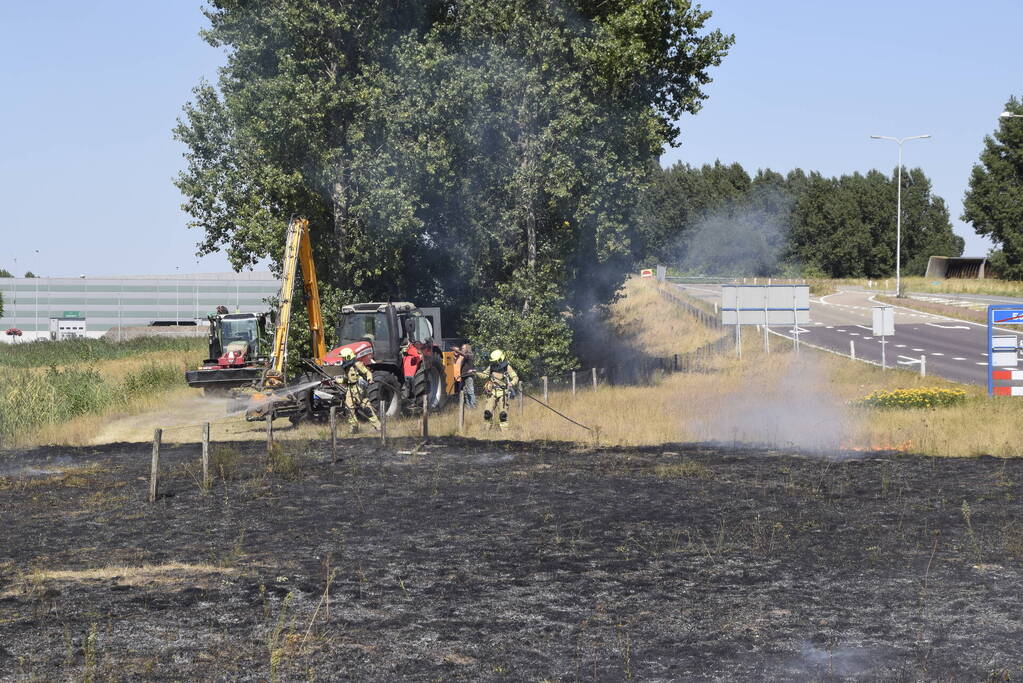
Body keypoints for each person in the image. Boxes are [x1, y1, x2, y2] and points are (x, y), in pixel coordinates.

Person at [473, 349, 519, 431]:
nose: (494, 362)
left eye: (495, 361)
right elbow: (485, 375)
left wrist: (512, 383)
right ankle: (486, 432)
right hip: (492, 393)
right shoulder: (491, 366)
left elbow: (515, 377)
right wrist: (475, 372)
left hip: (503, 393)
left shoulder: (507, 367)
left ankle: (505, 435)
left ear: (500, 359)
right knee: (487, 413)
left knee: (503, 415)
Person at [337, 347, 380, 433]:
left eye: (344, 358)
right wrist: (337, 381)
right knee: (349, 408)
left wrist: (369, 379)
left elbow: (367, 372)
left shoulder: (357, 364)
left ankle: (378, 427)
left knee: (366, 408)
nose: (342, 360)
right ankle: (354, 427)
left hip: (359, 388)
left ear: (348, 357)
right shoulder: (346, 367)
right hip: (350, 389)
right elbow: (346, 379)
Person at [455, 343, 477, 408]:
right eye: (461, 348)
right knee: (465, 392)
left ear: (467, 349)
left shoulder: (470, 355)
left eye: (463, 348)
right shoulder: (465, 357)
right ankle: (468, 406)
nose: (462, 349)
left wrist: (456, 350)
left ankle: (473, 406)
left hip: (469, 376)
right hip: (464, 376)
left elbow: (465, 355)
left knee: (470, 391)